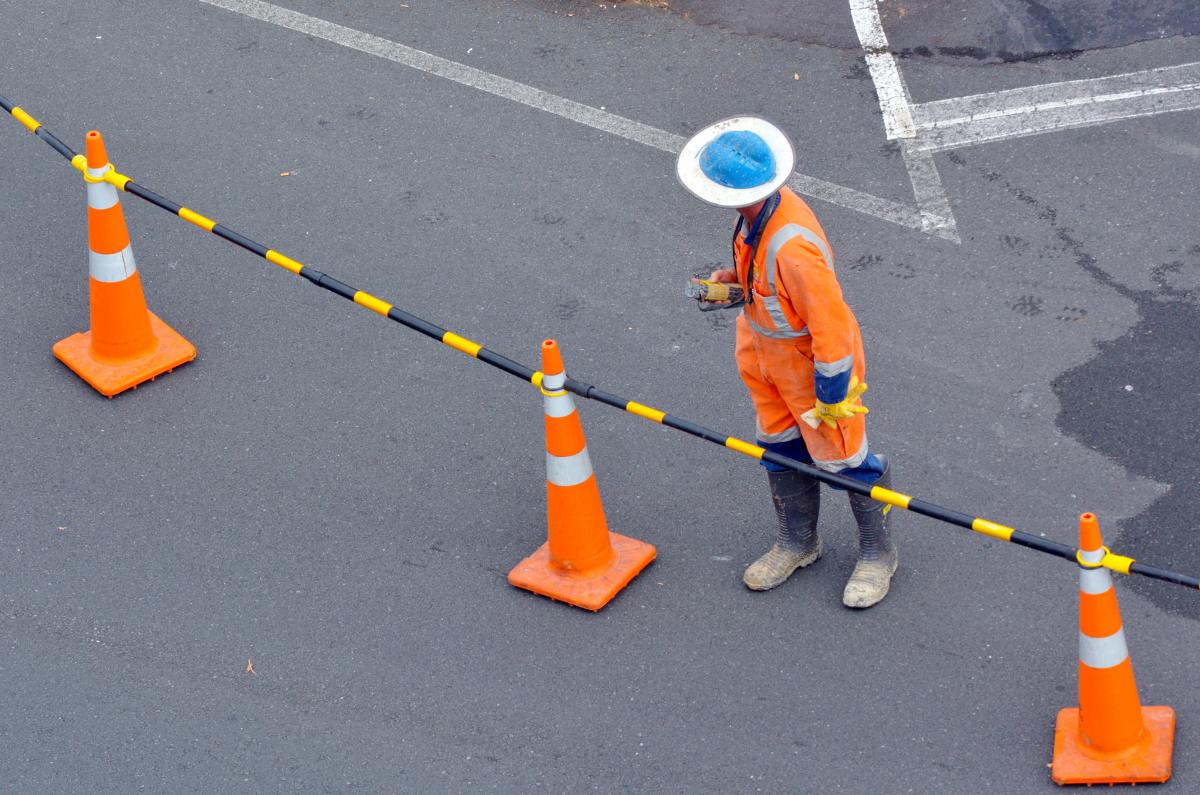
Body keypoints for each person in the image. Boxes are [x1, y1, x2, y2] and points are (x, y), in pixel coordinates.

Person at [675, 116, 897, 608]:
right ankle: (798, 542)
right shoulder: (756, 215)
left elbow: (831, 326)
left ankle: (878, 553)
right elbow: (763, 276)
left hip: (807, 363)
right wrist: (733, 281)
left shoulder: (793, 247)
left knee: (844, 456)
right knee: (779, 445)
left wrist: (833, 394)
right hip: (764, 353)